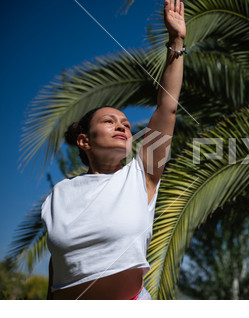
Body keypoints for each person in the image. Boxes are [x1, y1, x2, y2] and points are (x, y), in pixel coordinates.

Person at [42, 0, 186, 300]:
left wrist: (176, 43)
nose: (122, 127)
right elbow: (57, 269)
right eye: (109, 121)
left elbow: (167, 108)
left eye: (125, 123)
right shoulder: (59, 195)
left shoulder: (140, 175)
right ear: (84, 141)